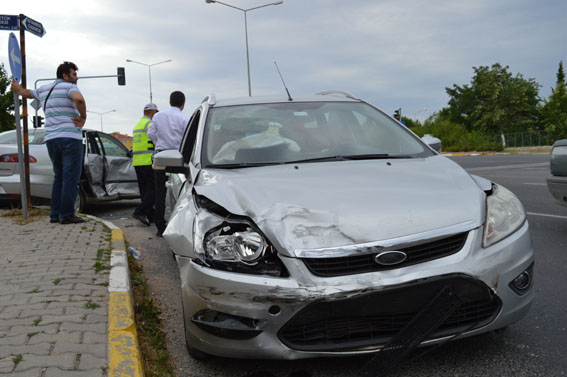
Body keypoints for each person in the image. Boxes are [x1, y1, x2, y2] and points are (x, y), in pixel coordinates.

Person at [11, 61, 87, 224]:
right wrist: (83, 117)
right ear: (65, 75)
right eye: (74, 74)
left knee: (59, 176)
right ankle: (67, 214)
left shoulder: (45, 89)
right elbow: (79, 100)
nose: (76, 77)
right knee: (71, 177)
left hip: (51, 139)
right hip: (70, 137)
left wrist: (16, 88)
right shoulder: (70, 87)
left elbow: (27, 93)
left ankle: (55, 214)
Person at [148, 91, 189, 237]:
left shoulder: (158, 116)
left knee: (160, 192)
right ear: (183, 103)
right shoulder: (184, 118)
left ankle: (160, 226)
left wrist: (159, 144)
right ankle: (178, 225)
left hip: (161, 156)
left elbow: (150, 134)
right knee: (180, 191)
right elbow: (188, 138)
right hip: (178, 157)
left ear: (170, 101)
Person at [132, 103, 159, 226]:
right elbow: (156, 139)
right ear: (153, 113)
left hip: (137, 162)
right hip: (148, 160)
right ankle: (140, 211)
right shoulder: (149, 124)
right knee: (153, 189)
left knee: (144, 191)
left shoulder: (137, 124)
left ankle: (150, 215)